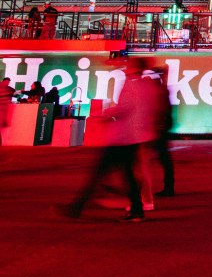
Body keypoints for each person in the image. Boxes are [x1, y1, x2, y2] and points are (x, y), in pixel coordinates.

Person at [57, 56, 161, 222]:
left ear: (134, 69)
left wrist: (103, 115)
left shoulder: (130, 84)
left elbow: (124, 107)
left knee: (100, 173)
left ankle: (77, 207)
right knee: (126, 174)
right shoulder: (147, 86)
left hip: (122, 136)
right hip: (136, 137)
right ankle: (136, 209)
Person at [151, 64, 176, 198]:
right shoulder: (163, 90)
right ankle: (169, 187)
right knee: (164, 159)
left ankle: (168, 187)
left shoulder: (161, 91)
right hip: (161, 128)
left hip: (158, 129)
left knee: (163, 159)